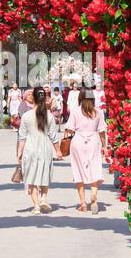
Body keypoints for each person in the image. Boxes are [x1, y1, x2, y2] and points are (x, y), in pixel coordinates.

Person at [17, 85, 61, 214]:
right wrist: (58, 151)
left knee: (31, 177)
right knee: (44, 174)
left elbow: (22, 137)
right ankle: (43, 199)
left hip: (30, 149)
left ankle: (36, 206)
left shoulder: (26, 116)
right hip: (45, 149)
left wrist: (19, 153)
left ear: (33, 99)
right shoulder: (49, 116)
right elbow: (53, 137)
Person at [66, 87, 107, 213]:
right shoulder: (98, 112)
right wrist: (104, 146)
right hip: (93, 140)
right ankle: (94, 197)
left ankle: (83, 203)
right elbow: (102, 131)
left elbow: (69, 129)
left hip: (78, 140)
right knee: (94, 168)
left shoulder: (75, 111)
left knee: (78, 171)